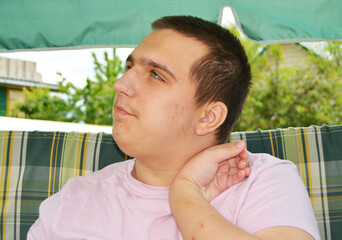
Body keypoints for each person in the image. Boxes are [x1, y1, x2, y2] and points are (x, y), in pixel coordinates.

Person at [27, 16, 320, 240]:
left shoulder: (262, 182)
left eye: (156, 75)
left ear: (208, 117)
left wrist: (185, 193)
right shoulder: (73, 199)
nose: (121, 84)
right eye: (130, 68)